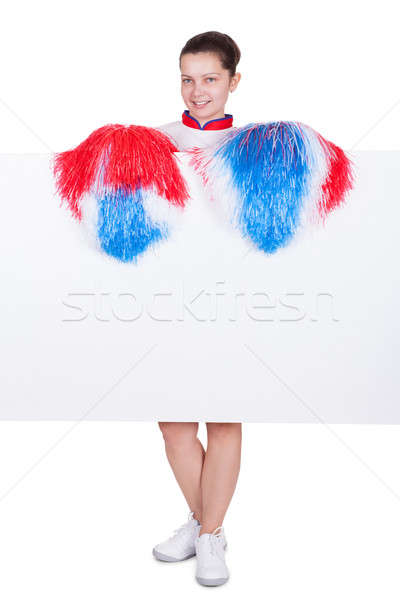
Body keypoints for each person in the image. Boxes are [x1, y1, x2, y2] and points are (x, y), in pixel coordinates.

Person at [152, 31, 242, 587]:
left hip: (238, 302)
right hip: (169, 299)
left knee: (226, 414)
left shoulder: (258, 143)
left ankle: (208, 537)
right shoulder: (155, 140)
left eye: (210, 79)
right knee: (173, 422)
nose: (198, 91)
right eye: (188, 79)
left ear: (234, 80)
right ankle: (206, 521)